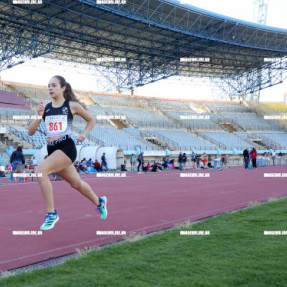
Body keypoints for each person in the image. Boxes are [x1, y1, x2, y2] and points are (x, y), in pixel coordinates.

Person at [28, 75, 107, 230]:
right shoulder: (46, 108)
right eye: (48, 85)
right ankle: (100, 202)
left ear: (63, 87)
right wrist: (38, 115)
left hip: (66, 147)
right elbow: (30, 132)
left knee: (40, 171)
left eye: (54, 85)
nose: (50, 88)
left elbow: (91, 120)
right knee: (76, 183)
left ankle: (51, 214)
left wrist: (83, 133)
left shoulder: (72, 106)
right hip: (52, 150)